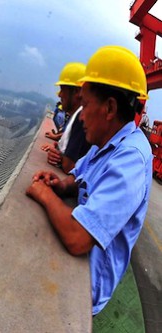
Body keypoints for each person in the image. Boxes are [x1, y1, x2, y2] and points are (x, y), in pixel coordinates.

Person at [26, 45, 153, 315]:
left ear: (109, 108)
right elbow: (79, 176)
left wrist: (45, 194)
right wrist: (61, 185)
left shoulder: (131, 158)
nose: (80, 117)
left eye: (85, 105)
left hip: (88, 288)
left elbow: (78, 237)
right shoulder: (105, 140)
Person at [42, 62, 91, 173]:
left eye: (63, 89)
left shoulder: (81, 118)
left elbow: (70, 166)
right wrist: (60, 148)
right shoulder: (77, 115)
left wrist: (60, 159)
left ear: (77, 92)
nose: (59, 95)